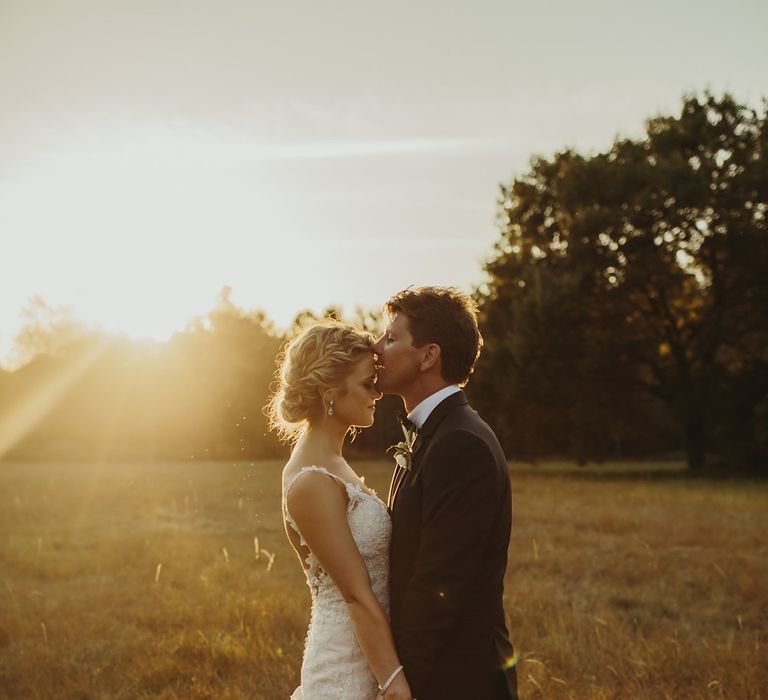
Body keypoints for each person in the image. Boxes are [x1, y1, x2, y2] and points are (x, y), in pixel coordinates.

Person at [372, 286, 519, 700]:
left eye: (390, 338)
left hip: (456, 677)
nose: (376, 348)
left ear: (427, 355)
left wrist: (401, 681)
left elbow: (441, 582)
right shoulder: (439, 433)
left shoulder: (460, 444)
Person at [267, 321, 413, 700]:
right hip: (345, 669)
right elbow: (354, 594)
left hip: (370, 652)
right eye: (367, 383)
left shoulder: (333, 462)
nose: (377, 394)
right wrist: (393, 679)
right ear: (331, 390)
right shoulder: (310, 481)